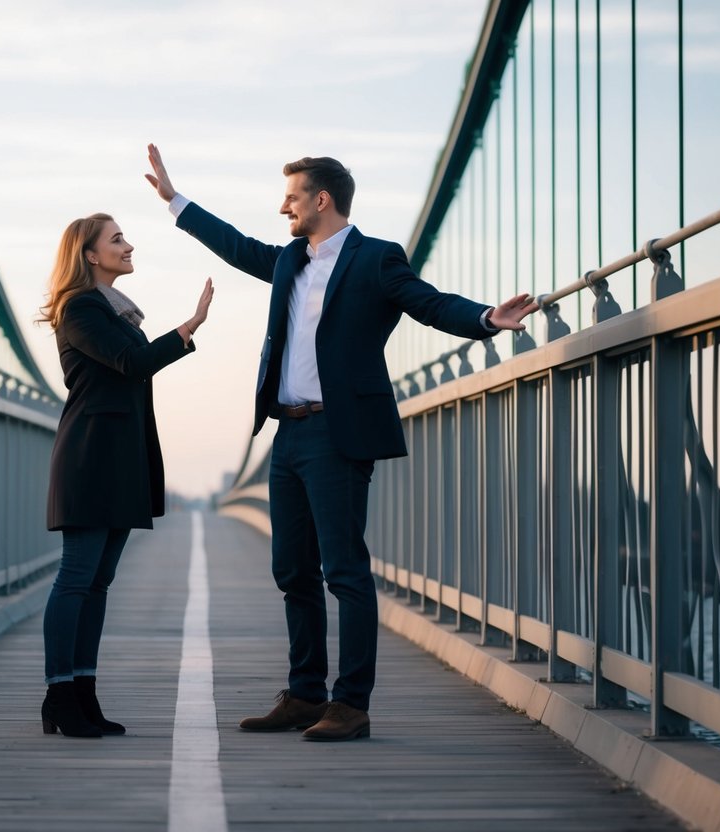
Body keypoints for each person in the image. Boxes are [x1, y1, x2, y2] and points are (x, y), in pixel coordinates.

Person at [145, 144, 536, 741]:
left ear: (320, 200)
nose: (284, 207)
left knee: (344, 572)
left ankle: (350, 704)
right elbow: (235, 245)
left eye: (292, 197)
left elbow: (429, 303)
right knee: (291, 570)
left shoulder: (377, 260)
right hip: (287, 431)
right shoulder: (288, 262)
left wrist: (486, 318)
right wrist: (176, 202)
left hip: (338, 431)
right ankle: (305, 695)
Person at [39, 212, 214, 738]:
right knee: (77, 577)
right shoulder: (81, 308)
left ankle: (83, 695)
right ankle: (59, 696)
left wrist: (178, 331)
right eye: (117, 240)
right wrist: (188, 327)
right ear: (90, 254)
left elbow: (133, 360)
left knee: (98, 583)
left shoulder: (117, 313)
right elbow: (129, 364)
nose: (128, 245)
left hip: (117, 459)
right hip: (91, 457)